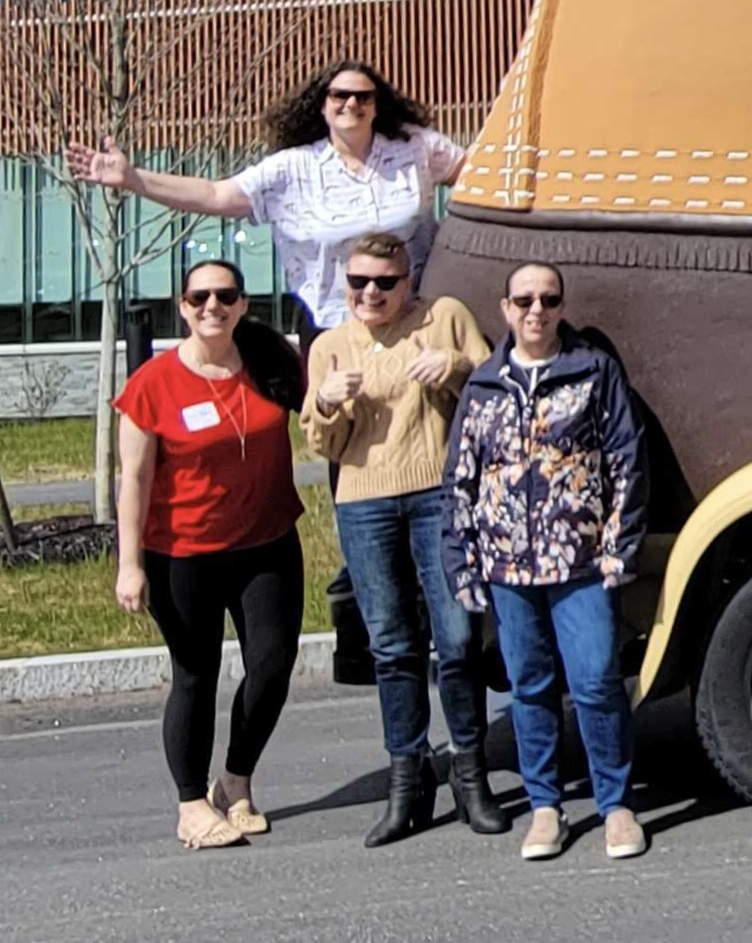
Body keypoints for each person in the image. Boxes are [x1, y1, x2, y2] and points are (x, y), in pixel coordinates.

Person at [445, 263, 650, 862]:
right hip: (508, 567)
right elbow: (460, 478)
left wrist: (619, 544)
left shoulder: (593, 371)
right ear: (505, 308)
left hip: (582, 563)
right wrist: (462, 559)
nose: (537, 310)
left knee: (595, 682)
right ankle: (545, 807)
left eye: (549, 299)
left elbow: (625, 460)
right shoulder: (483, 386)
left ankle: (616, 807)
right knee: (529, 687)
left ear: (561, 307)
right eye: (525, 300)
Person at [305, 231, 502, 845]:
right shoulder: (331, 346)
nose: (370, 293)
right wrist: (328, 404)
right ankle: (407, 780)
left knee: (459, 637)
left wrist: (456, 367)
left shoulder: (443, 318)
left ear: (407, 281)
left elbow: (494, 389)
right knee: (392, 645)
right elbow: (322, 444)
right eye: (358, 282)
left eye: (384, 283)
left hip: (437, 493)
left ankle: (472, 777)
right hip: (363, 500)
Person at [113, 258, 308, 850]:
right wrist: (129, 563)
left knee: (272, 667)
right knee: (195, 676)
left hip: (267, 543)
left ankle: (236, 782)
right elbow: (134, 477)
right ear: (182, 306)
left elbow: (322, 414)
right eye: (199, 298)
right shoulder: (155, 382)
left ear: (243, 304)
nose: (212, 307)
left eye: (225, 296)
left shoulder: (271, 363)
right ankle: (192, 804)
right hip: (183, 553)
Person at [67, 62, 465, 335]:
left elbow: (478, 175)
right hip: (334, 325)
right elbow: (214, 194)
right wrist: (132, 178)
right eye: (340, 96)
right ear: (322, 104)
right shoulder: (290, 169)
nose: (352, 105)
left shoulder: (416, 148)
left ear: (378, 104)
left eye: (363, 97)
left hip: (415, 319)